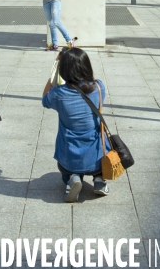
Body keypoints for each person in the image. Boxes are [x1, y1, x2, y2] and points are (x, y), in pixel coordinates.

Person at [42, 47, 110, 202]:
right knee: (98, 156)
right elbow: (90, 80)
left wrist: (55, 68)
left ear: (63, 70)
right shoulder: (99, 88)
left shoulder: (59, 94)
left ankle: (73, 178)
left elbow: (44, 99)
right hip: (97, 157)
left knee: (66, 168)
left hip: (69, 156)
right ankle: (99, 180)